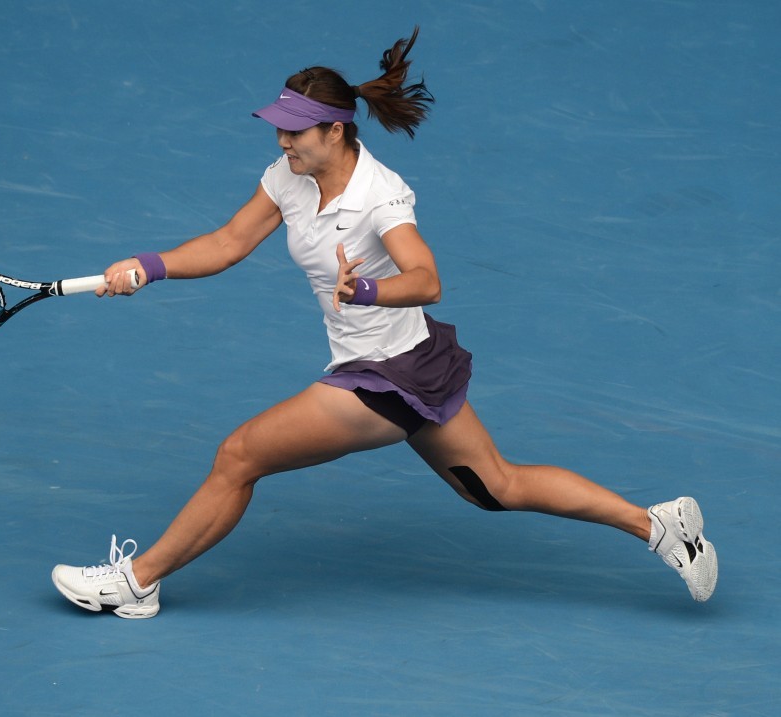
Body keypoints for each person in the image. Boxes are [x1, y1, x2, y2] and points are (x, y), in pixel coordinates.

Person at [51, 28, 717, 619]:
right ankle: (657, 525)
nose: (282, 140)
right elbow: (228, 242)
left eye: (296, 130)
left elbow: (427, 279)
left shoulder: (381, 195)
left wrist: (367, 288)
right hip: (413, 365)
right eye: (279, 127)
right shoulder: (287, 177)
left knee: (239, 455)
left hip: (384, 378)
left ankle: (137, 583)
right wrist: (147, 265)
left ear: (335, 130)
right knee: (497, 486)